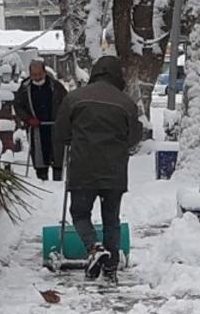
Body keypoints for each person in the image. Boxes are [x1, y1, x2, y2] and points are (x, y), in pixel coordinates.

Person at [54, 56, 143, 284]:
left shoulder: (74, 99)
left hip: (84, 168)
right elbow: (133, 138)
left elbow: (62, 134)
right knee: (111, 219)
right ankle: (110, 269)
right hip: (114, 170)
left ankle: (94, 248)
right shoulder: (126, 104)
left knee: (80, 213)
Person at [13, 60, 69, 181]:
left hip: (55, 127)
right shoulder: (25, 88)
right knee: (39, 157)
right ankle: (42, 180)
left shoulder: (56, 86)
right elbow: (18, 106)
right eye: (34, 75)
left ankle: (57, 181)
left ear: (44, 72)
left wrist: (62, 119)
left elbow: (67, 103)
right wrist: (28, 119)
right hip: (36, 128)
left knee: (57, 156)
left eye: (39, 74)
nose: (37, 78)